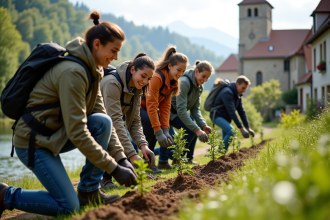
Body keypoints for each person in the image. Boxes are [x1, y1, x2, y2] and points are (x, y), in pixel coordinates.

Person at [0, 11, 138, 217]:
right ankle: (5, 195)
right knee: (68, 207)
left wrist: (121, 158)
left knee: (102, 121)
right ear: (97, 44)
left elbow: (100, 115)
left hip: (55, 134)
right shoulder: (73, 72)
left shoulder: (94, 71)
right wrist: (114, 169)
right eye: (114, 50)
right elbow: (78, 132)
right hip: (33, 141)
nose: (117, 58)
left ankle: (89, 192)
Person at [100, 52, 156, 189]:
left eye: (148, 79)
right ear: (132, 70)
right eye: (143, 76)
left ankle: (128, 172)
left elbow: (135, 122)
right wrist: (132, 155)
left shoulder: (136, 89)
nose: (144, 82)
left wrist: (143, 145)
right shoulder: (112, 83)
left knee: (131, 144)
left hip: (108, 124)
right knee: (109, 137)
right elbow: (115, 122)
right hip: (90, 123)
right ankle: (103, 179)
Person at [139, 45, 189, 173]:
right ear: (170, 66)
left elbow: (165, 107)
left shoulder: (172, 82)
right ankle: (141, 164)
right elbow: (151, 105)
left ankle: (148, 164)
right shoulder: (157, 77)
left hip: (148, 109)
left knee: (158, 128)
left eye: (183, 71)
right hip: (137, 107)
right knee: (151, 126)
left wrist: (165, 130)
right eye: (179, 70)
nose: (181, 74)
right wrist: (158, 131)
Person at [155, 60, 214, 169]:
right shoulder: (184, 82)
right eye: (204, 76)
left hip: (176, 112)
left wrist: (203, 126)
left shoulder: (199, 87)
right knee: (175, 136)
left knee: (193, 125)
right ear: (196, 72)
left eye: (208, 78)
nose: (205, 80)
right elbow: (181, 110)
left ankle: (188, 158)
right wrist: (197, 129)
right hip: (166, 112)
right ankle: (171, 161)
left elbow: (195, 110)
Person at [211, 76, 255, 152]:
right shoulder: (227, 92)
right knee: (231, 131)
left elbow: (241, 111)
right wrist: (241, 129)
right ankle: (218, 154)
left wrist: (248, 128)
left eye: (245, 88)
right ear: (237, 84)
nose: (244, 91)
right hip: (217, 116)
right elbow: (232, 112)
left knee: (226, 137)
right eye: (243, 88)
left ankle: (221, 157)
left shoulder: (237, 95)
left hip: (226, 118)